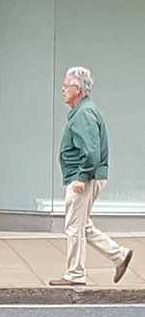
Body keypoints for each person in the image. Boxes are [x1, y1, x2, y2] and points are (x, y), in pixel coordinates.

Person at [48, 66, 133, 286]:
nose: (62, 90)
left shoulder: (84, 114)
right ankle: (119, 255)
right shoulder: (83, 111)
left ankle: (75, 274)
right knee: (83, 225)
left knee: (74, 227)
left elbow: (91, 151)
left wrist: (81, 177)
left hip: (83, 178)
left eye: (66, 86)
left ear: (77, 89)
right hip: (86, 176)